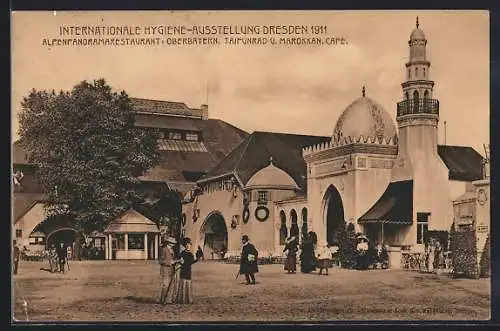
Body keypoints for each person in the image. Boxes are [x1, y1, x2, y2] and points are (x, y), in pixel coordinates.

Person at [175, 237, 199, 304]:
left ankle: (188, 299)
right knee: (183, 284)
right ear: (185, 246)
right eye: (187, 245)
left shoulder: (190, 254)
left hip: (188, 270)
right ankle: (181, 299)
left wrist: (197, 259)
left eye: (189, 245)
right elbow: (181, 262)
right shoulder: (182, 253)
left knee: (188, 285)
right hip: (183, 270)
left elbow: (191, 262)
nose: (188, 246)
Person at [158, 235, 181, 304]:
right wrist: (170, 262)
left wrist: (177, 261)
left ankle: (168, 300)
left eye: (174, 243)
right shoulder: (163, 249)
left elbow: (172, 259)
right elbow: (160, 261)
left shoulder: (172, 250)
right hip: (165, 270)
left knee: (171, 286)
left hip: (172, 270)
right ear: (168, 243)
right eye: (172, 243)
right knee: (166, 285)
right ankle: (162, 300)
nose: (173, 244)